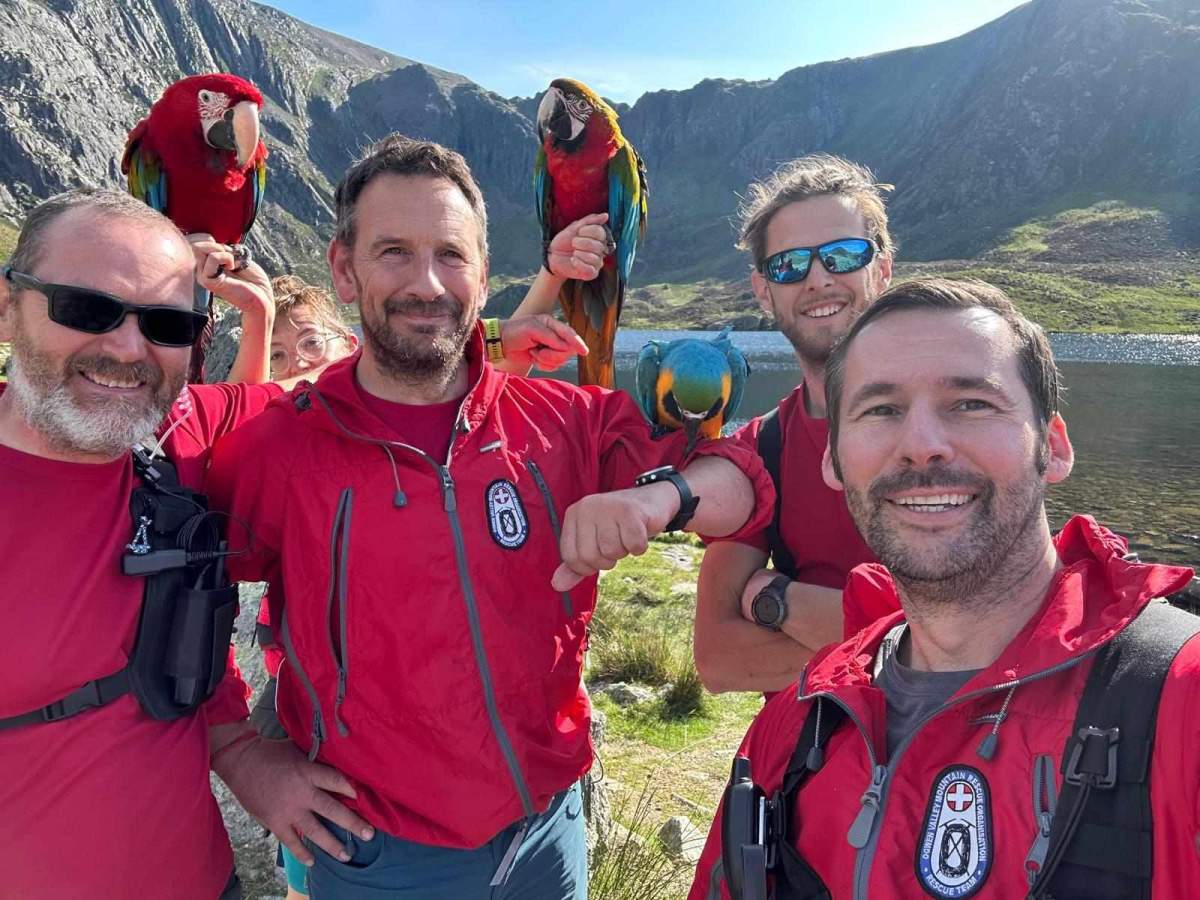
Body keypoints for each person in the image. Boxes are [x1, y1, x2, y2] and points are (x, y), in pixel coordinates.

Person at [204, 133, 774, 899]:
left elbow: (739, 481)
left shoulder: (567, 420)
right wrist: (241, 753)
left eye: (451, 254)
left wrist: (657, 497)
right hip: (380, 854)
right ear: (343, 268)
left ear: (480, 272)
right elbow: (175, 593)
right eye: (394, 252)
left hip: (549, 832)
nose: (426, 282)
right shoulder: (279, 446)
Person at [690, 277, 1200, 899]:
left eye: (972, 404)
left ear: (1054, 447)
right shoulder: (798, 723)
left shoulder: (1181, 698)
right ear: (834, 461)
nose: (922, 447)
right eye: (881, 410)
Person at [0, 188, 285, 899]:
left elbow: (351, 388)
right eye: (85, 308)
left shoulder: (174, 433)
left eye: (165, 323)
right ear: (7, 307)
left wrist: (497, 339)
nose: (128, 349)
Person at [692, 154, 898, 695]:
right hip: (809, 745)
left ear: (882, 268)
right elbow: (719, 660)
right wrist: (907, 646)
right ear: (764, 290)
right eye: (789, 265)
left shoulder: (957, 422)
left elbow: (989, 626)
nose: (819, 279)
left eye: (843, 255)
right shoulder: (761, 450)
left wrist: (776, 598)